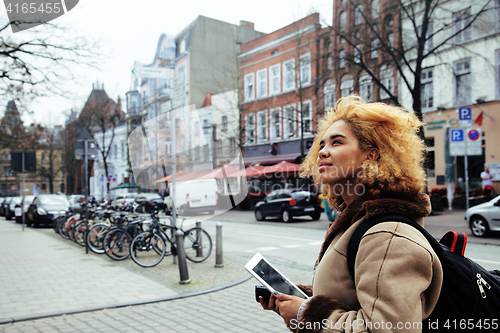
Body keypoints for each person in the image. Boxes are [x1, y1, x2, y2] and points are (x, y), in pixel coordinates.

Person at [259, 96, 443, 332]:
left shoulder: (387, 236)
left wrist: (306, 313)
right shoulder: (355, 222)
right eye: (322, 144)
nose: (323, 152)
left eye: (336, 143)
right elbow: (352, 297)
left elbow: (388, 328)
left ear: (371, 155)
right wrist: (301, 301)